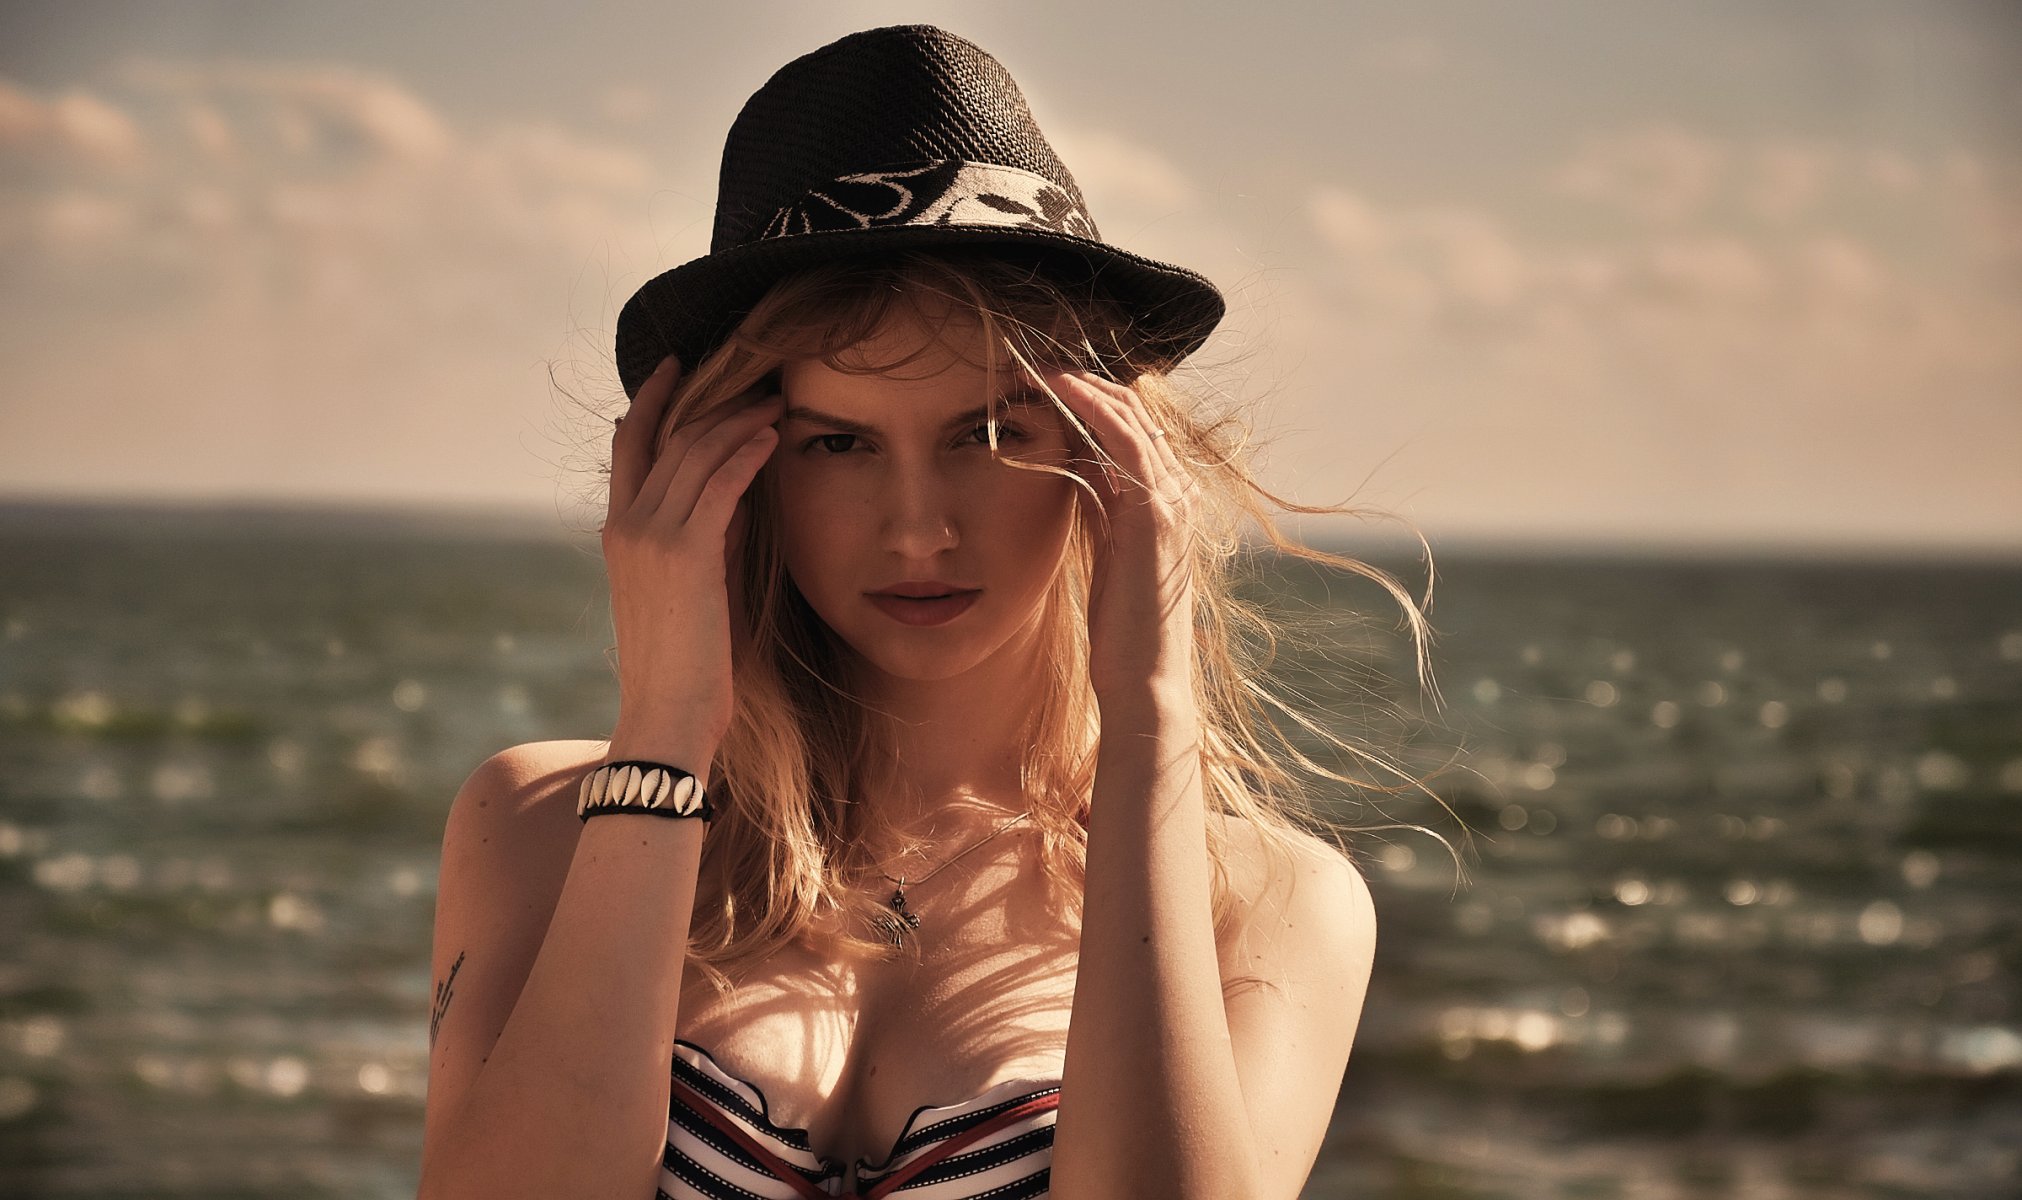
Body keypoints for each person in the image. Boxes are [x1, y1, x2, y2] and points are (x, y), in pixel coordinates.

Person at [417, 23, 1436, 1200]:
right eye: (839, 443)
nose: (918, 529)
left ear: (1113, 457)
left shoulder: (1265, 909)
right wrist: (667, 725)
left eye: (991, 434)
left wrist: (1151, 719)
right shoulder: (539, 823)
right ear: (732, 466)